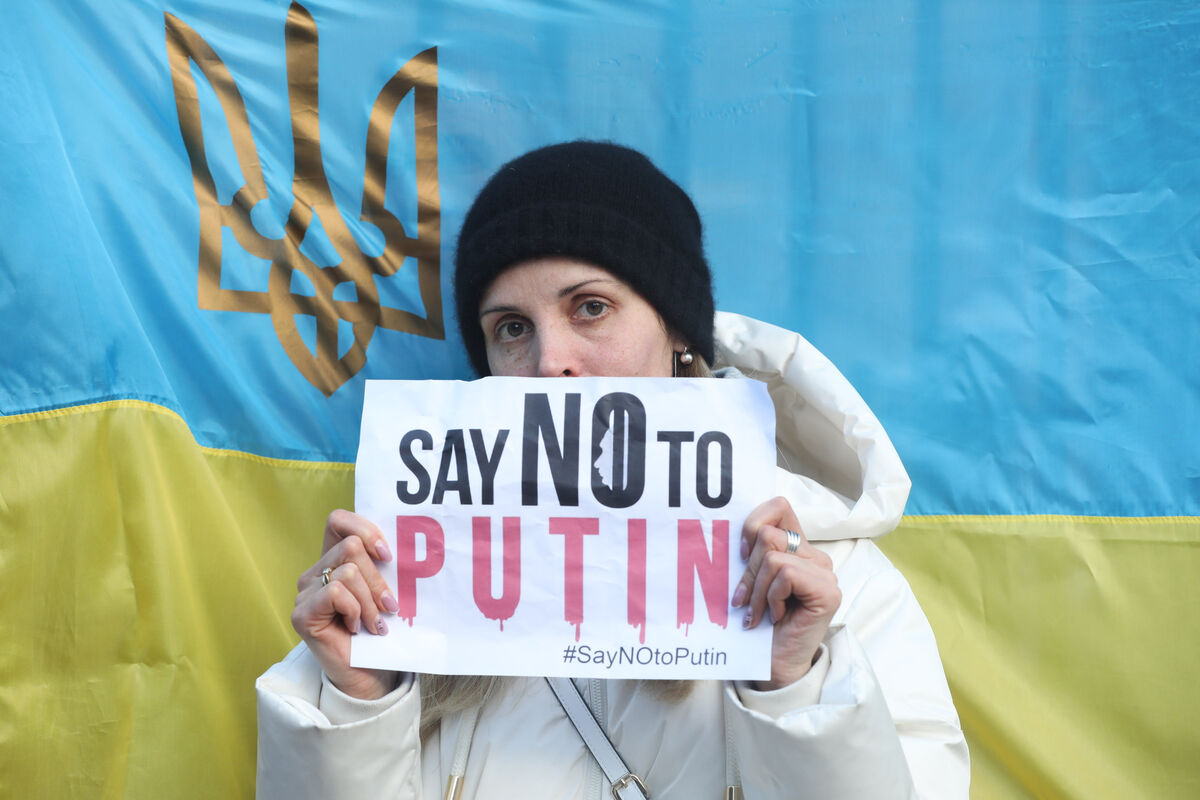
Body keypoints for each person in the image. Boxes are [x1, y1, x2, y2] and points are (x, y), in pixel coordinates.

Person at [256, 141, 969, 798]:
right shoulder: (404, 591)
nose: (548, 362)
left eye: (590, 308)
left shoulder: (839, 587)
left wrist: (794, 687)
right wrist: (356, 702)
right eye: (511, 328)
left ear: (679, 332)